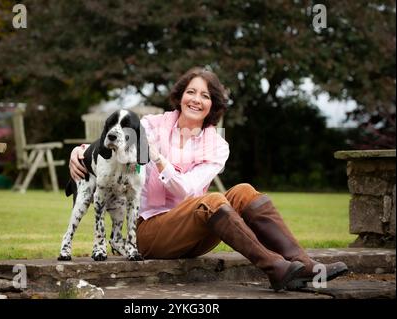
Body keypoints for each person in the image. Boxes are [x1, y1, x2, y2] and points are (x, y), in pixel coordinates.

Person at [69, 67, 348, 291]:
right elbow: (112, 140)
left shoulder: (216, 145)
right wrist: (79, 151)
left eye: (204, 95)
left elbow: (186, 190)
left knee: (243, 191)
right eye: (190, 92)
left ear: (212, 104)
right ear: (180, 97)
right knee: (213, 199)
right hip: (145, 232)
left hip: (194, 230)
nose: (196, 99)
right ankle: (275, 268)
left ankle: (303, 263)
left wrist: (158, 158)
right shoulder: (151, 125)